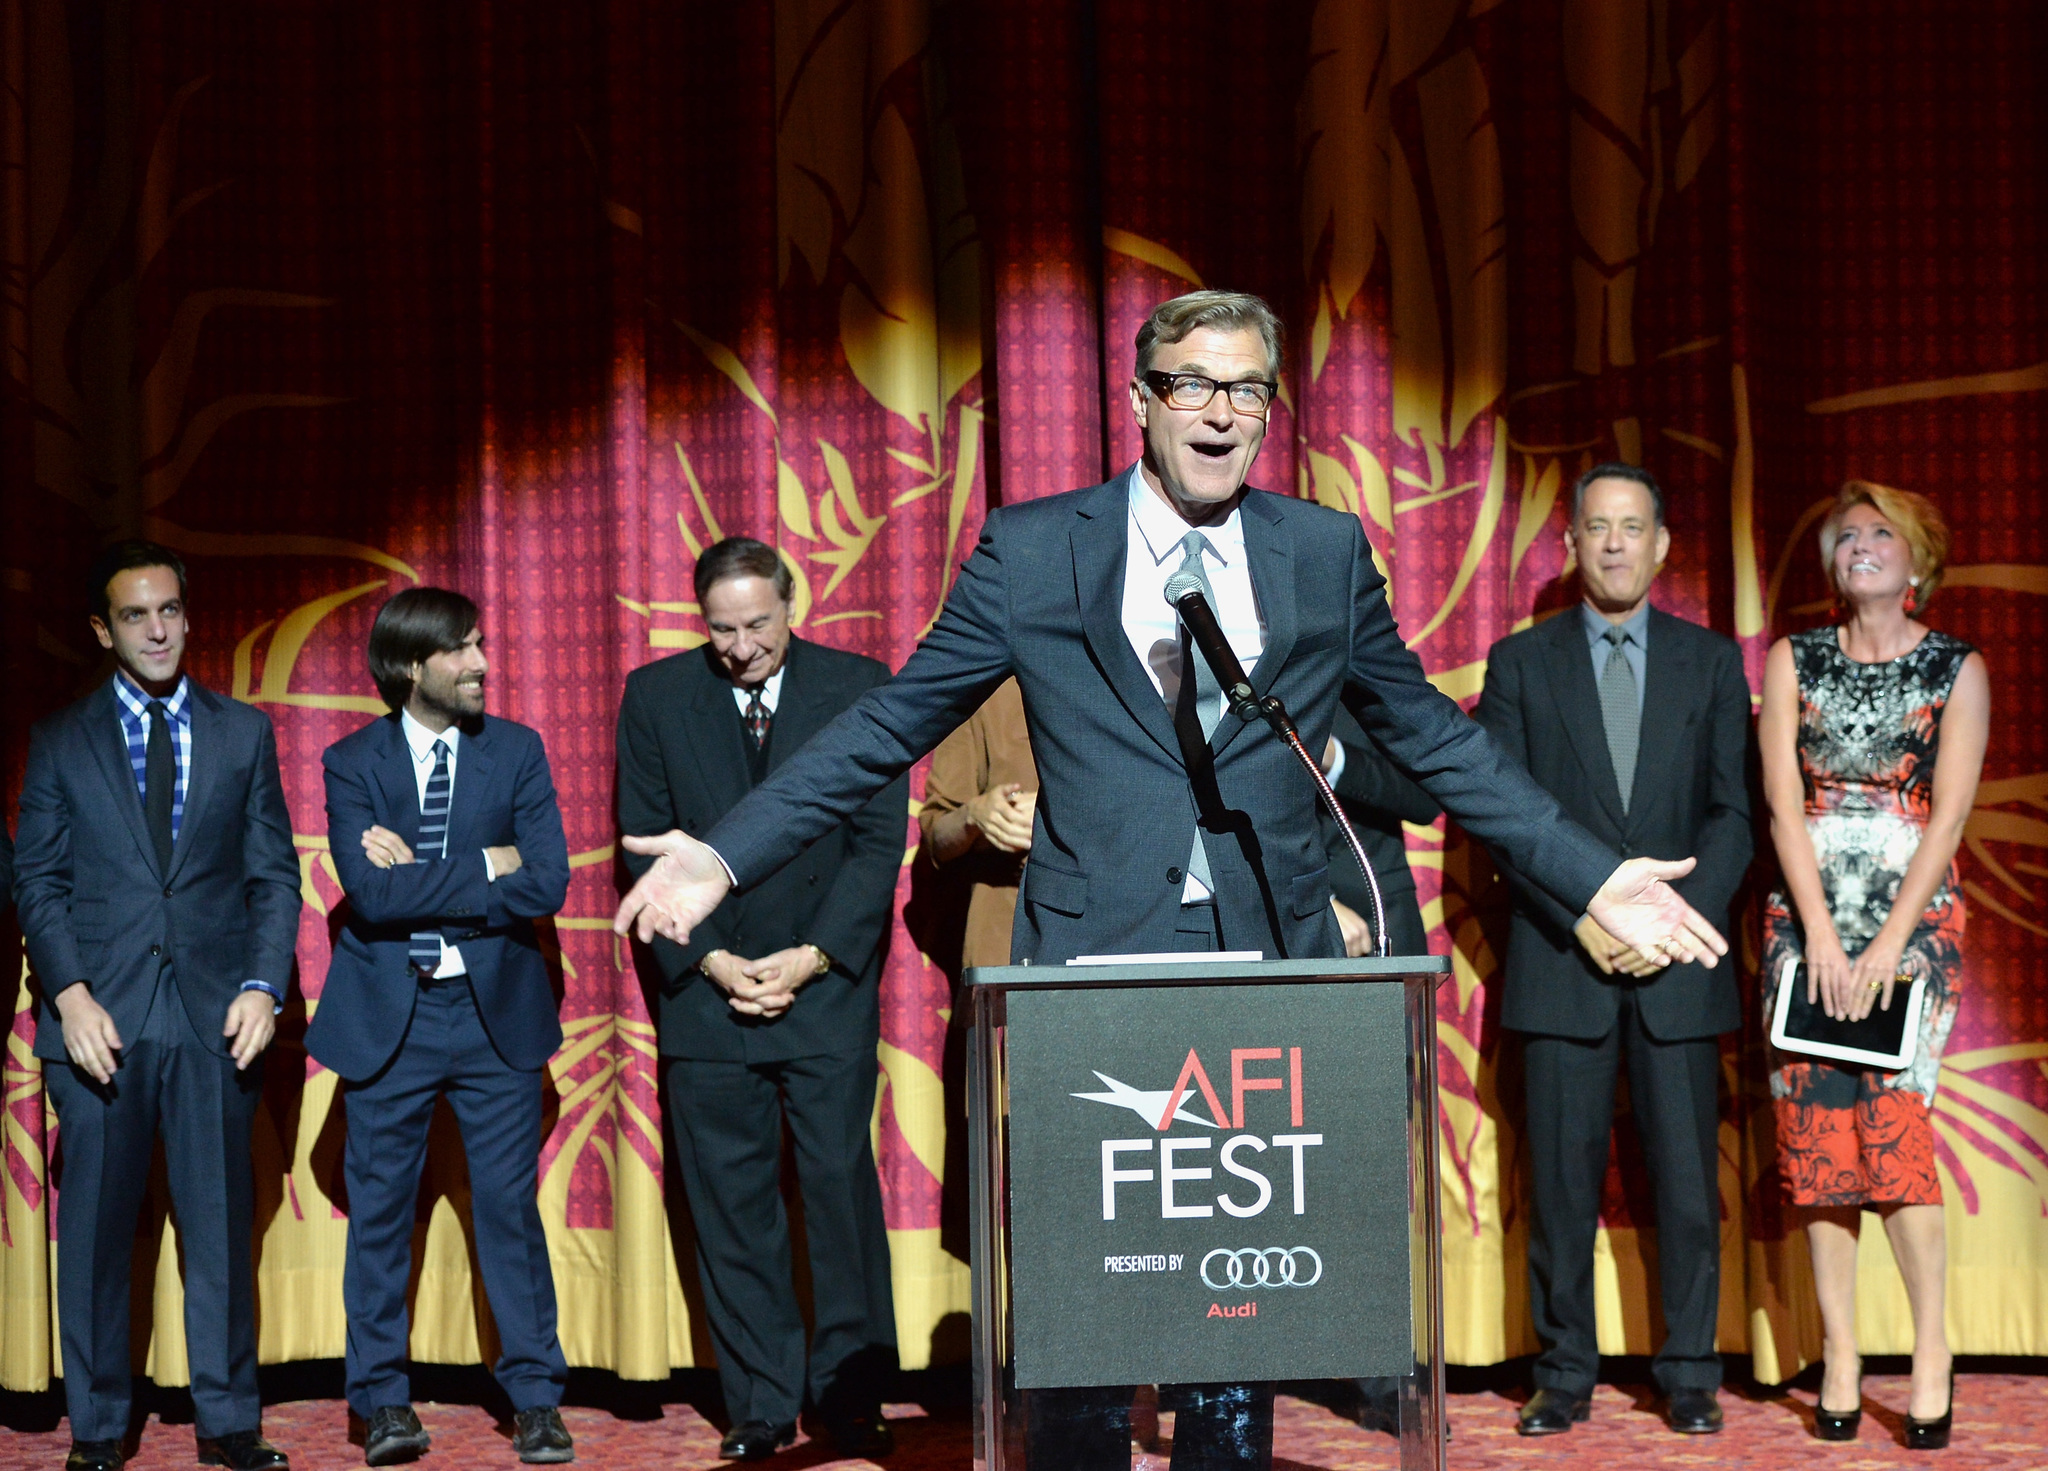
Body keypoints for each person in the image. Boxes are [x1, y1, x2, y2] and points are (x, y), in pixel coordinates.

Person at [614, 290, 1728, 1469]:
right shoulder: (1036, 547)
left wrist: (1592, 877)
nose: (1218, 411)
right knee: (1089, 1337)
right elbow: (888, 724)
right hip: (1090, 981)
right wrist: (728, 849)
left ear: (1268, 411)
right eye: (1189, 383)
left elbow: (1437, 742)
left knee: (1231, 1334)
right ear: (1140, 402)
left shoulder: (1319, 550)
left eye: (1245, 387)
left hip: (1262, 975)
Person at [1475, 465, 1754, 1437]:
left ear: (1661, 544)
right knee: (1557, 1189)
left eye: (1630, 527)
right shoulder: (1518, 663)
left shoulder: (1710, 662)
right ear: (1569, 545)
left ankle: (1688, 1371)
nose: (1612, 544)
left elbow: (1731, 812)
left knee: (1685, 1186)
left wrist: (1671, 921)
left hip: (1678, 966)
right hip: (1562, 959)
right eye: (1594, 527)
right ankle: (1562, 1373)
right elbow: (1501, 818)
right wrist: (1588, 916)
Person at [615, 538, 906, 1462]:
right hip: (706, 995)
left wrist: (814, 955)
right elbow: (641, 846)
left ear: (793, 605)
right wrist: (708, 961)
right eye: (722, 629)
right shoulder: (657, 696)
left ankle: (853, 1396)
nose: (741, 647)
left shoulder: (860, 683)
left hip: (821, 988)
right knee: (732, 1202)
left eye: (758, 626)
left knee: (835, 1189)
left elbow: (874, 843)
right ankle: (761, 1404)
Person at [16, 542, 300, 1471]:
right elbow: (40, 882)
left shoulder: (243, 733)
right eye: (135, 615)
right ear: (104, 629)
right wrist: (69, 994)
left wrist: (264, 985)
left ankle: (229, 1420)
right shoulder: (59, 738)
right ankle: (97, 1430)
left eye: (169, 609)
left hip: (215, 1021)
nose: (157, 629)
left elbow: (274, 876)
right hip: (98, 1022)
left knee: (219, 1225)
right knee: (95, 1234)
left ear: (187, 612)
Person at [305, 589, 575, 1467]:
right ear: (410, 666)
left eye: (483, 642)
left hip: (495, 1016)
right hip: (394, 1016)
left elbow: (547, 884)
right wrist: (485, 865)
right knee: (380, 1215)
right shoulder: (351, 761)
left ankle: (535, 1398)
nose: (482, 663)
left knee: (507, 1210)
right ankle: (382, 1402)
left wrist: (431, 867)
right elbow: (372, 897)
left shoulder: (519, 752)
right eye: (462, 649)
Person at [1759, 481, 1986, 1450]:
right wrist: (1815, 929)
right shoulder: (1792, 657)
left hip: (1914, 924)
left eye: (1878, 533)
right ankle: (1841, 1353)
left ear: (1916, 558)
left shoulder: (1954, 666)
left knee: (1891, 1138)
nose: (1858, 545)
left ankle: (1930, 1352)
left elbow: (1946, 814)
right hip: (1802, 919)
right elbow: (1778, 798)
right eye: (1844, 535)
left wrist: (1887, 945)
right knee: (1816, 1145)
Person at [918, 677, 1037, 970]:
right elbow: (937, 831)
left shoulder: (1153, 674)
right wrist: (976, 814)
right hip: (1007, 929)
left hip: (1123, 923)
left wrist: (1056, 815)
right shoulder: (990, 686)